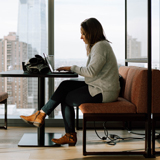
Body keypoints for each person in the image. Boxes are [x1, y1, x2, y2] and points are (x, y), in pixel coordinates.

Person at [20, 17, 120, 146]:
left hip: (103, 91)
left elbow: (91, 72)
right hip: (99, 86)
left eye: (83, 33)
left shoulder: (100, 46)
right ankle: (41, 115)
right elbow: (93, 73)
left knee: (65, 98)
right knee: (65, 85)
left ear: (92, 32)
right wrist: (71, 69)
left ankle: (67, 133)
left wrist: (72, 68)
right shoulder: (99, 45)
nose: (81, 37)